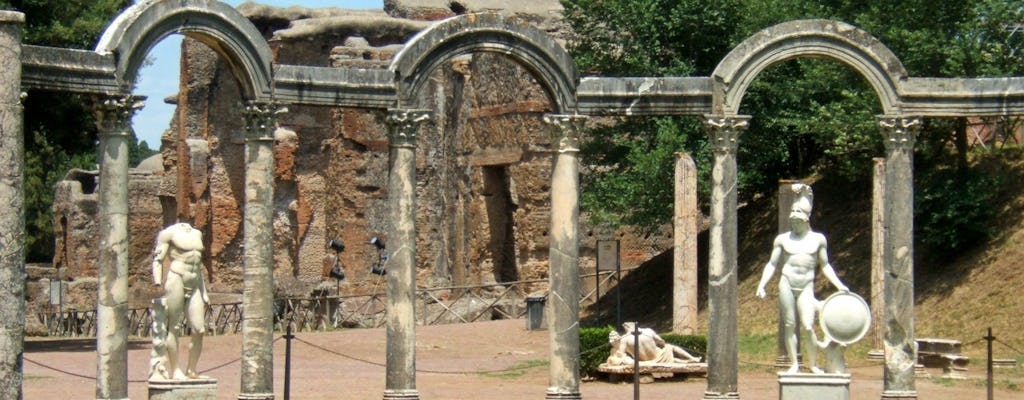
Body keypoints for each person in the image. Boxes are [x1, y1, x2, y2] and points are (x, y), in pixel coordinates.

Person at [755, 184, 848, 374]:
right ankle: (794, 364)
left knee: (807, 325)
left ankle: (812, 364)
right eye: (793, 215)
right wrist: (762, 284)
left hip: (806, 285)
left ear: (806, 219)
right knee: (789, 325)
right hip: (787, 283)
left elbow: (825, 265)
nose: (794, 220)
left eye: (798, 216)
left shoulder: (818, 239)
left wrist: (840, 285)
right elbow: (772, 264)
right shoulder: (782, 239)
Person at [150, 222, 209, 380]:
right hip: (177, 277)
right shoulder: (168, 234)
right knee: (174, 326)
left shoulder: (197, 233)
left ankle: (192, 369)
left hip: (195, 280)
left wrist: (204, 292)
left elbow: (198, 264)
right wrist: (157, 281)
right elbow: (158, 259)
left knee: (199, 329)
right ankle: (175, 369)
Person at [606, 322, 701, 365]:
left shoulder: (624, 339)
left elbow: (620, 354)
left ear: (626, 328)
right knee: (670, 347)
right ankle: (692, 359)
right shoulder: (648, 331)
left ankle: (689, 361)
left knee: (671, 359)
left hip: (644, 361)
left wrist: (614, 345)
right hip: (658, 356)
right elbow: (661, 341)